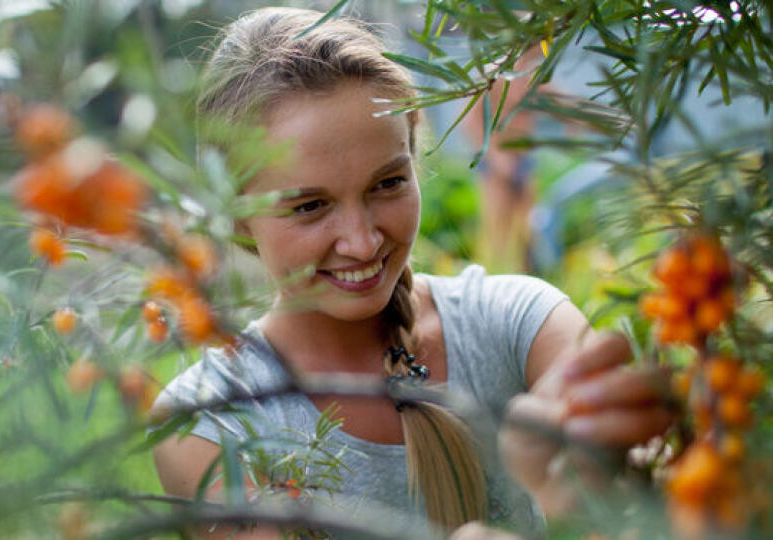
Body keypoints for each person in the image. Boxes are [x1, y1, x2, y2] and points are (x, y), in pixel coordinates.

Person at [151, 7, 673, 539]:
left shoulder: (519, 324)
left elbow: (657, 493)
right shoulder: (207, 424)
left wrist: (590, 484)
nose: (362, 242)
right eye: (309, 206)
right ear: (235, 209)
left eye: (387, 184)